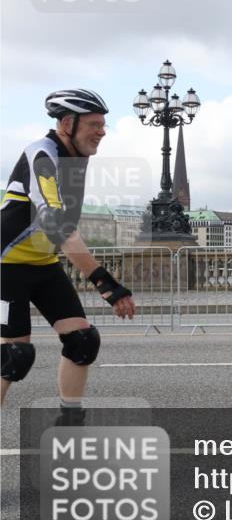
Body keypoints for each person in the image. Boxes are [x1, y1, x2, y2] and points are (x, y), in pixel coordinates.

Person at [1, 89, 136, 421]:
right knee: (15, 355)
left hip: (43, 265)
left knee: (82, 341)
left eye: (104, 124)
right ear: (66, 123)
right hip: (6, 266)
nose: (102, 131)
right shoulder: (42, 155)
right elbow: (60, 226)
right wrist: (107, 284)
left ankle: (71, 423)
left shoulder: (76, 158)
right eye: (94, 124)